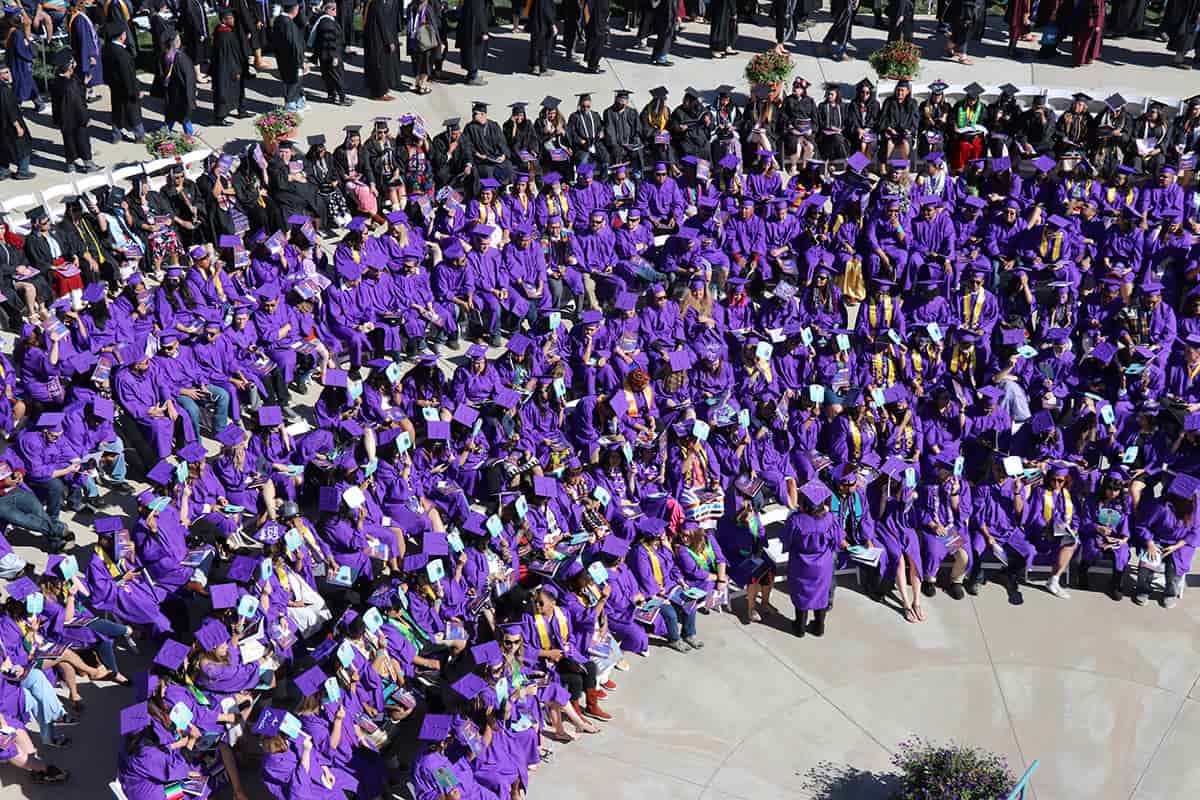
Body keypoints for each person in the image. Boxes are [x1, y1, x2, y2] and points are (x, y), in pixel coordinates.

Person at [48, 50, 99, 174]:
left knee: (68, 141)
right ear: (69, 66)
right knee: (82, 140)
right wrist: (85, 118)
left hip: (64, 119)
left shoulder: (57, 81)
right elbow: (77, 103)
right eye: (72, 62)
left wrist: (83, 85)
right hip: (76, 118)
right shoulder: (70, 84)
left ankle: (70, 164)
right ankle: (88, 163)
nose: (75, 64)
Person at [101, 21, 143, 143]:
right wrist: (135, 91)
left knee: (117, 112)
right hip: (127, 89)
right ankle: (139, 135)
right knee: (133, 113)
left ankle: (116, 135)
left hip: (115, 87)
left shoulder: (107, 49)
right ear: (121, 36)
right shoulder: (123, 54)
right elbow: (128, 76)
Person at [363, 0, 404, 100]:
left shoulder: (371, 3)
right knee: (380, 66)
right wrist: (389, 41)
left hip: (374, 38)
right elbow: (382, 23)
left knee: (379, 66)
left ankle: (380, 89)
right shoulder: (377, 4)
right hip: (378, 41)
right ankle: (380, 93)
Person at [0, 63, 35, 180]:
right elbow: (10, 109)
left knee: (4, 147)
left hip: (3, 126)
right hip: (10, 124)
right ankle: (23, 171)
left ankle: (3, 171)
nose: (9, 74)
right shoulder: (5, 90)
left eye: (8, 71)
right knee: (23, 145)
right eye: (5, 72)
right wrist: (17, 125)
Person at [272, 0, 307, 112]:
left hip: (284, 58)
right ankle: (291, 105)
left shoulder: (279, 20)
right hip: (293, 59)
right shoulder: (287, 23)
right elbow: (294, 45)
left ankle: (298, 102)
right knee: (294, 81)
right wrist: (301, 61)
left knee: (294, 80)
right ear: (295, 10)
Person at [162, 32, 198, 136]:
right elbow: (189, 78)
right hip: (182, 93)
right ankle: (189, 136)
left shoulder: (165, 55)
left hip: (171, 92)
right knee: (185, 116)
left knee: (171, 115)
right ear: (176, 43)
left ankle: (164, 134)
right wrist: (192, 94)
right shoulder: (181, 58)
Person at [456, 0, 489, 85]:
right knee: (474, 50)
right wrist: (484, 30)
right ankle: (473, 76)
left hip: (469, 20)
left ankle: (471, 74)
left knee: (470, 49)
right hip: (475, 25)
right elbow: (479, 13)